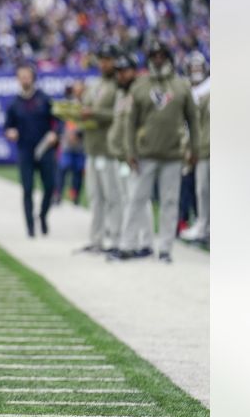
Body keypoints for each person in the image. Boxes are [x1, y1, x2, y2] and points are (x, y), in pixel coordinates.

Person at [111, 40, 199, 264]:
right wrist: (130, 150)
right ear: (149, 58)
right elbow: (130, 122)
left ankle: (166, 249)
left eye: (161, 54)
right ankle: (128, 244)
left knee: (170, 202)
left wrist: (194, 149)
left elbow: (193, 120)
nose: (158, 58)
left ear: (168, 58)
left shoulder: (182, 86)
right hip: (145, 153)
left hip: (172, 154)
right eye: (154, 55)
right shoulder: (140, 86)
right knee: (136, 200)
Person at [3, 63, 60, 237]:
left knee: (49, 187)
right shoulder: (14, 103)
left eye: (27, 76)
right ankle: (30, 226)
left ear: (33, 77)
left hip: (44, 149)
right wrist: (10, 132)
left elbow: (57, 122)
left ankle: (42, 215)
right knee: (27, 189)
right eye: (21, 76)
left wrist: (54, 134)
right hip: (25, 150)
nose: (24, 80)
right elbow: (8, 126)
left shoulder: (44, 99)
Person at [75, 43, 121, 254]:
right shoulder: (94, 84)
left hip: (109, 148)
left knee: (112, 196)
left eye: (107, 60)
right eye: (101, 60)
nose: (103, 64)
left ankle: (114, 239)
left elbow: (119, 116)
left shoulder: (119, 85)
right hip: (92, 146)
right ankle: (96, 239)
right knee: (95, 197)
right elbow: (84, 107)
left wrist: (93, 113)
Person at [106, 54, 153, 258]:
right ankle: (134, 241)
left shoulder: (141, 92)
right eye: (118, 71)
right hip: (121, 155)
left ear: (134, 71)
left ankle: (143, 243)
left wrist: (135, 149)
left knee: (138, 199)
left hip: (134, 155)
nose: (121, 75)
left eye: (124, 71)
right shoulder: (121, 93)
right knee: (129, 199)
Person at [180, 51, 210, 244]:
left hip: (206, 146)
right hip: (196, 148)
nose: (196, 71)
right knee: (200, 189)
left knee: (205, 189)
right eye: (193, 68)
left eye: (199, 67)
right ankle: (202, 224)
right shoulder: (189, 91)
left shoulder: (208, 90)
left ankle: (204, 226)